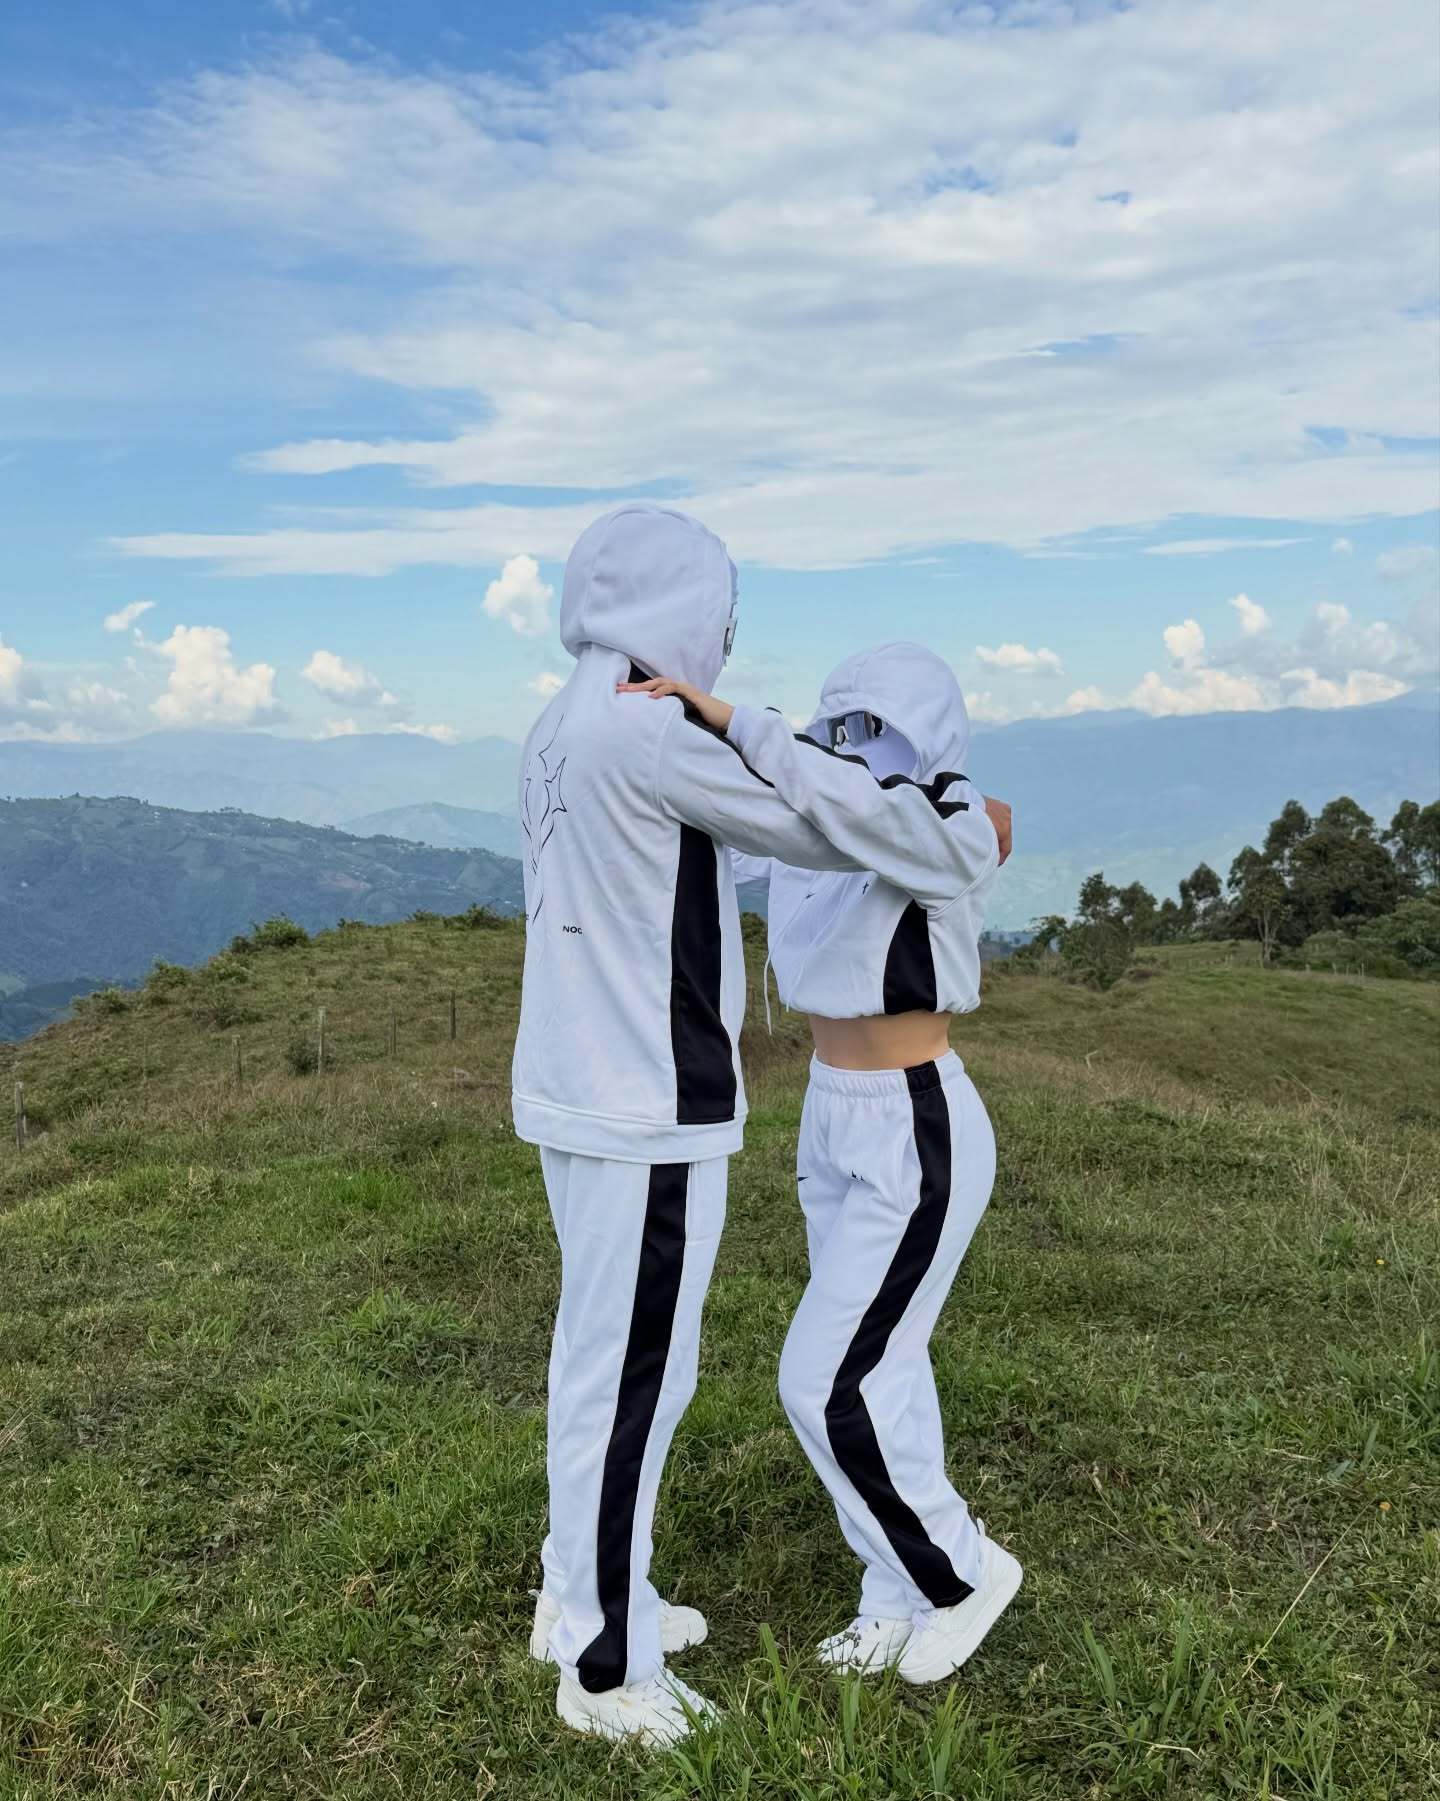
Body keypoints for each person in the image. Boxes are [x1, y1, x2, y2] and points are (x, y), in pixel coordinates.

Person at [514, 510, 1008, 1746]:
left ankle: (584, 1598)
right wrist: (953, 818)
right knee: (634, 1380)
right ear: (678, 606)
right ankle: (605, 1665)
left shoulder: (560, 725)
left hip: (584, 1086)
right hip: (645, 1098)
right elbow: (819, 826)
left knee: (609, 1364)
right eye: (718, 617)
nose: (721, 647)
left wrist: (932, 817)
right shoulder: (651, 729)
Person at [619, 642, 1020, 1684]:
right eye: (840, 730)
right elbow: (730, 830)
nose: (852, 749)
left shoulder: (950, 820)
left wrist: (735, 718)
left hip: (915, 1119)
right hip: (830, 1112)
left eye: (875, 730)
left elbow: (897, 826)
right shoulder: (821, 815)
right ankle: (891, 1588)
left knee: (825, 1378)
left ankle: (962, 1574)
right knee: (888, 1365)